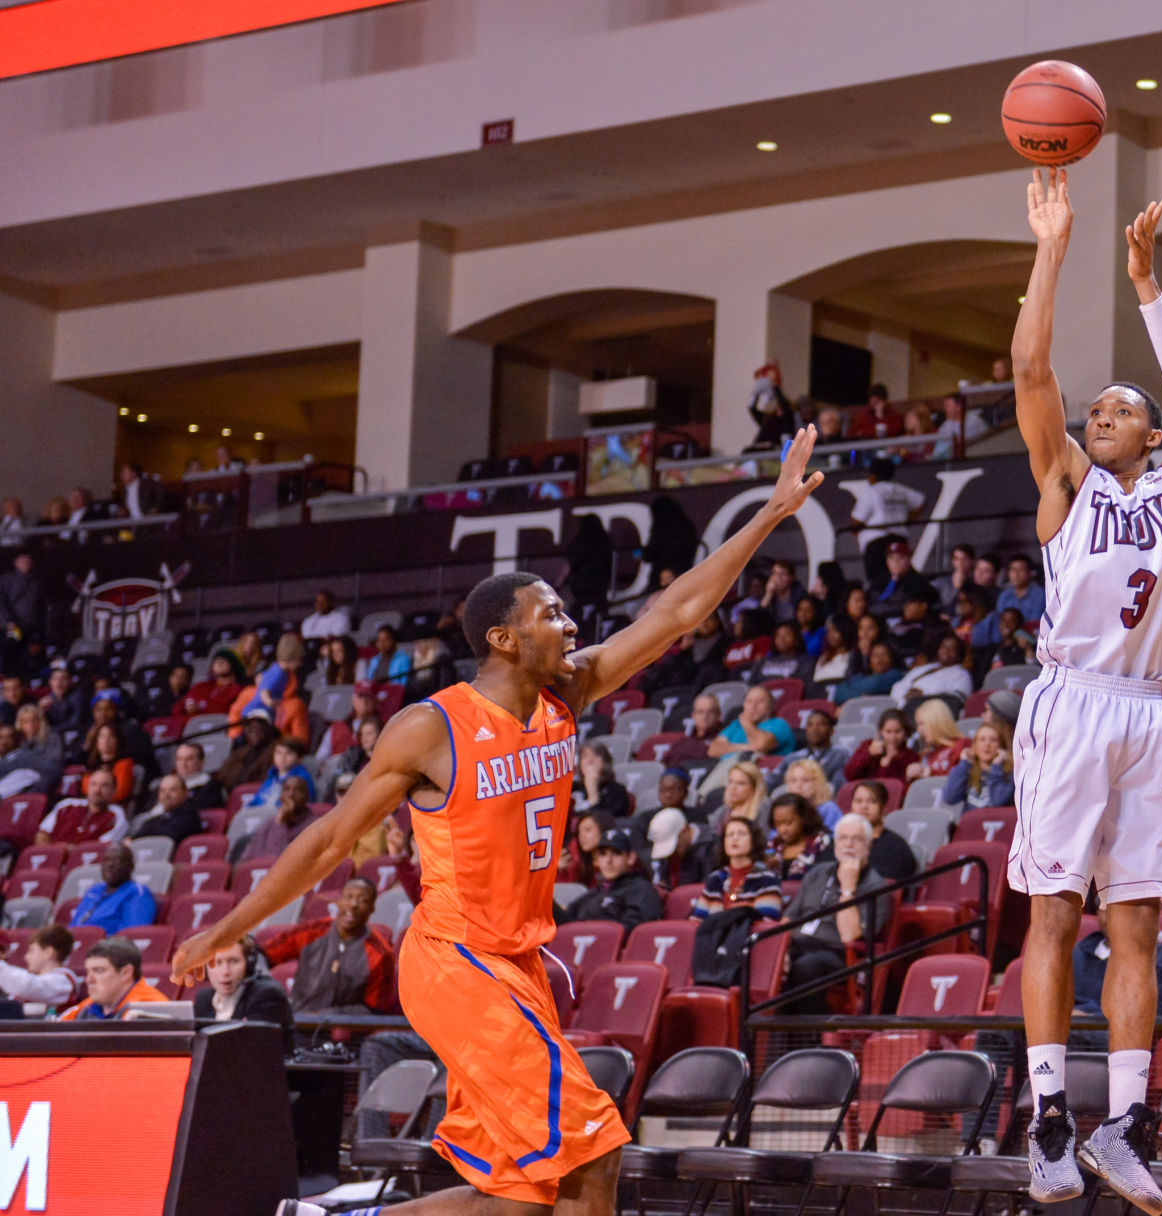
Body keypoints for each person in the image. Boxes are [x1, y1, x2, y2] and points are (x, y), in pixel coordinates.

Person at [170, 430, 821, 1212]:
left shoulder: (564, 694)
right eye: (552, 614)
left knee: (520, 1197)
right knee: (594, 1153)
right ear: (505, 638)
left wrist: (769, 515)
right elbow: (330, 842)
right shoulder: (431, 727)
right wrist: (228, 928)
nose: (572, 625)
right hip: (454, 960)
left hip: (519, 965)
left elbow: (675, 611)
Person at [1006, 171, 1162, 1213]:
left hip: (1147, 714)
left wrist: (1144, 284)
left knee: (1136, 927)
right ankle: (1045, 1117)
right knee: (1051, 911)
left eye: (1117, 408)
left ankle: (1123, 1125)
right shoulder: (1063, 484)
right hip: (1071, 701)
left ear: (1147, 435)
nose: (1099, 413)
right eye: (1094, 408)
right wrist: (1051, 248)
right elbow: (1030, 363)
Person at [778, 814, 892, 1014]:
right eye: (843, 838)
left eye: (856, 839)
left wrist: (848, 888)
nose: (848, 844)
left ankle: (808, 1040)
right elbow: (789, 918)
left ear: (869, 845)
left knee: (806, 967)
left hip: (837, 953)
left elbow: (849, 935)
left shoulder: (875, 885)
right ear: (835, 844)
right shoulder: (818, 873)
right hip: (798, 945)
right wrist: (781, 951)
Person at [263, 878, 396, 1015]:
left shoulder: (381, 954)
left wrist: (329, 1016)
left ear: (371, 908)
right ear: (338, 901)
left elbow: (375, 1010)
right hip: (299, 1023)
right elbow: (264, 954)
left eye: (363, 900)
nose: (353, 905)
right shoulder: (312, 932)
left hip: (346, 1031)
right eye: (348, 897)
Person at [192, 936, 295, 1055]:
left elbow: (253, 1053)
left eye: (233, 961)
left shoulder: (267, 995)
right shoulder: (203, 999)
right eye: (217, 963)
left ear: (249, 964)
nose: (225, 971)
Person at [558, 829, 665, 932]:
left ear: (631, 858)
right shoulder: (591, 895)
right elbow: (563, 922)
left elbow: (636, 931)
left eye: (616, 853)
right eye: (603, 854)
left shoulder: (641, 890)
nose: (608, 861)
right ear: (596, 860)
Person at [848, 459, 925, 588]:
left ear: (872, 475)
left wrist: (861, 537)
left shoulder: (872, 492)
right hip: (899, 540)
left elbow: (856, 521)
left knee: (877, 583)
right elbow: (921, 502)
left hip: (876, 544)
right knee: (902, 580)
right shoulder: (900, 490)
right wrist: (905, 521)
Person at [691, 817, 784, 920]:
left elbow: (765, 923)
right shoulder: (716, 879)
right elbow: (696, 921)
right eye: (730, 834)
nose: (735, 838)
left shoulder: (767, 880)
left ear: (753, 841)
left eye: (741, 834)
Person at [59, 937, 170, 1021]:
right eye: (88, 971)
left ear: (126, 973)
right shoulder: (84, 1008)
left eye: (99, 971)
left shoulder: (151, 1009)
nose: (89, 980)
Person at [68, 842, 157, 935]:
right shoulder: (94, 890)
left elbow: (133, 936)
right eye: (106, 860)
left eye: (117, 860)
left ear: (131, 866)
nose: (110, 865)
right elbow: (74, 925)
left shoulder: (137, 893)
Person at [842, 778, 916, 881]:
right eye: (858, 801)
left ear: (883, 807)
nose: (864, 806)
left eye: (872, 801)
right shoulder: (841, 842)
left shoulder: (895, 847)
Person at [231, 775, 315, 864]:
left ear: (307, 796)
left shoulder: (314, 826)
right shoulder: (269, 823)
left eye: (297, 790)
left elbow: (283, 859)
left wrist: (280, 825)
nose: (291, 794)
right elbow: (245, 860)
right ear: (281, 796)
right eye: (286, 789)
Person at [36, 768, 126, 846]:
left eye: (104, 786)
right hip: (52, 859)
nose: (97, 790)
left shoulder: (116, 814)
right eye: (94, 784)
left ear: (113, 791)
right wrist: (51, 852)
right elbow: (42, 833)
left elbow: (100, 848)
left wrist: (68, 850)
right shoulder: (66, 805)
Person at [0, 925, 77, 1016]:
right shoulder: (36, 979)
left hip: (50, 1029)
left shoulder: (63, 981)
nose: (26, 957)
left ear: (49, 953)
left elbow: (27, 986)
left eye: (31, 951)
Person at [944, 721, 1016, 810]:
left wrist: (997, 766)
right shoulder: (967, 771)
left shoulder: (1010, 774)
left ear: (1001, 746)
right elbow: (950, 798)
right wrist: (964, 763)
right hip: (972, 823)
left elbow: (998, 801)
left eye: (993, 740)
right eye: (982, 739)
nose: (987, 744)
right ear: (974, 746)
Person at [708, 685, 795, 757]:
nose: (754, 706)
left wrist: (746, 723)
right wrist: (746, 747)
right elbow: (713, 750)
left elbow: (760, 745)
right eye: (749, 701)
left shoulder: (779, 724)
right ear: (744, 705)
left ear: (771, 707)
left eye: (760, 701)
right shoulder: (736, 725)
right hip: (727, 769)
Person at [844, 709, 918, 786]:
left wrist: (887, 763)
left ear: (905, 732)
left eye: (897, 731)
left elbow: (898, 786)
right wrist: (868, 754)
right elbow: (849, 774)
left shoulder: (910, 756)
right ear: (881, 732)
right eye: (888, 732)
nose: (892, 737)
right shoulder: (868, 746)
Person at [869, 539, 938, 620]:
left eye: (900, 558)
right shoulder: (879, 581)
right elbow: (870, 602)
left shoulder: (918, 582)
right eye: (891, 558)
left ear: (909, 559)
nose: (895, 562)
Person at [768, 794, 832, 879]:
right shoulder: (774, 845)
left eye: (789, 823)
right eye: (778, 824)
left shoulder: (820, 842)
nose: (783, 829)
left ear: (804, 818)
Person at [784, 710, 850, 789]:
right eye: (810, 725)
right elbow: (772, 781)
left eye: (821, 724)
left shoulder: (840, 755)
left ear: (831, 730)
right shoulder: (792, 758)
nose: (814, 729)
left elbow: (837, 786)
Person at [907, 698, 969, 780]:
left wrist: (931, 773)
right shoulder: (925, 755)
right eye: (918, 725)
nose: (919, 730)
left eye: (922, 724)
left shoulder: (963, 745)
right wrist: (910, 778)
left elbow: (963, 779)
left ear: (936, 722)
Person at [175, 647, 246, 718]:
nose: (219, 663)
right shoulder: (201, 686)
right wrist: (186, 708)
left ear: (234, 665)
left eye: (225, 660)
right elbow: (177, 708)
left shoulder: (238, 690)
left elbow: (230, 713)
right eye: (216, 660)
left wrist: (200, 710)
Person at [569, 740, 629, 820]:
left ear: (606, 761)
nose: (590, 761)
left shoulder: (617, 791)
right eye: (585, 756)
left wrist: (593, 793)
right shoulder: (572, 787)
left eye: (596, 755)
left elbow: (606, 823)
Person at [996, 554, 1045, 623]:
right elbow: (1000, 621)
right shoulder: (1004, 595)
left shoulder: (1040, 594)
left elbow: (1036, 622)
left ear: (1030, 573)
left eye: (1021, 570)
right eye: (1013, 570)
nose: (1016, 574)